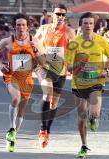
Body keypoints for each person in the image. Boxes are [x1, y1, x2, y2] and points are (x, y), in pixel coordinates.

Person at [0, 13, 44, 152]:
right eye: (18, 25)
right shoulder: (7, 41)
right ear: (14, 26)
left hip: (26, 78)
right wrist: (0, 64)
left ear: (27, 27)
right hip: (12, 76)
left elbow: (43, 62)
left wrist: (36, 51)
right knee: (16, 98)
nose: (21, 27)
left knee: (21, 110)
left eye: (23, 25)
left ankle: (13, 135)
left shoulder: (35, 41)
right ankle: (11, 127)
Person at [66, 12, 109, 158]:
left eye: (91, 23)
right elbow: (67, 67)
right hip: (79, 82)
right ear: (81, 25)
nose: (88, 26)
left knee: (94, 113)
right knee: (81, 115)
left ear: (94, 25)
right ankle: (84, 145)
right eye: (85, 23)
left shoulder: (102, 41)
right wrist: (79, 64)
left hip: (96, 81)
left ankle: (94, 118)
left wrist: (106, 69)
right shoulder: (74, 43)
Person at [33, 3, 75, 148]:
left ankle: (47, 132)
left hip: (61, 70)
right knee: (47, 96)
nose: (61, 17)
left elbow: (74, 49)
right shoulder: (44, 29)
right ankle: (42, 129)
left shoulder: (69, 31)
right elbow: (33, 42)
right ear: (52, 15)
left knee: (54, 103)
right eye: (58, 14)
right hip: (45, 67)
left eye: (63, 14)